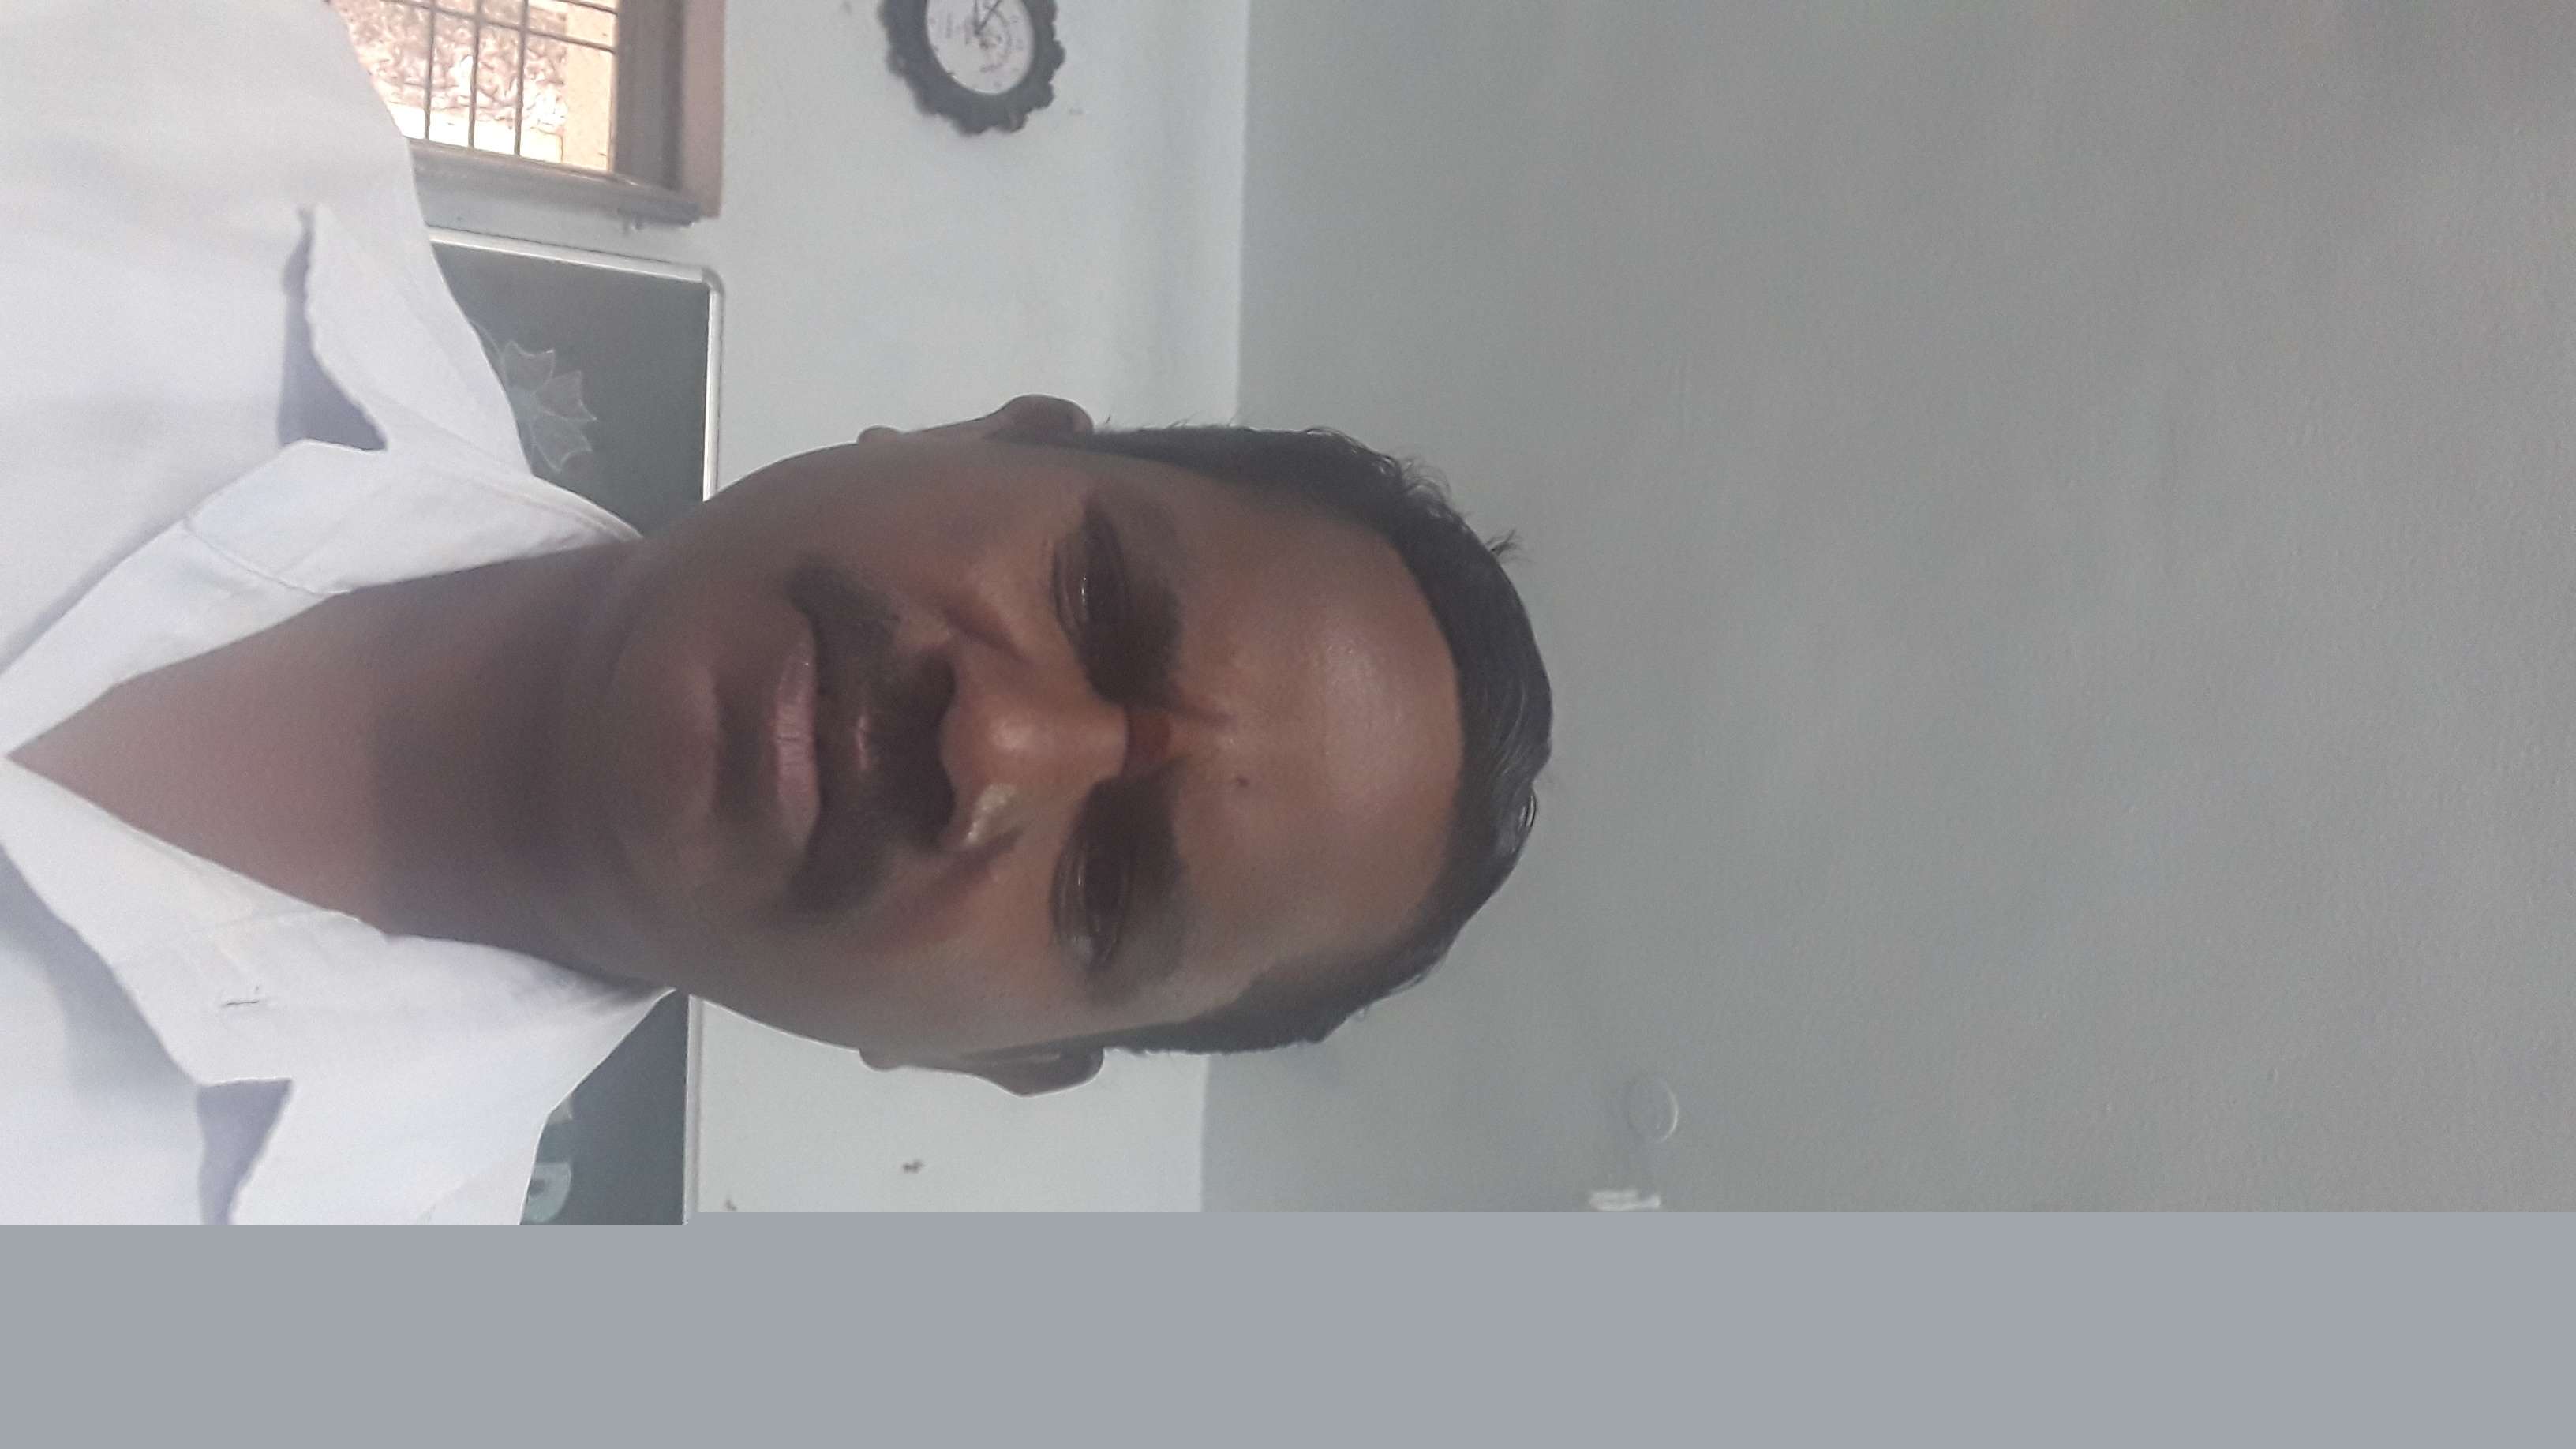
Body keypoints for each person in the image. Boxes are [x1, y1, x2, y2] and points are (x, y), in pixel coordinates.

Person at [0, 0, 1551, 1222]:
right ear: (986, 437)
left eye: (1106, 887)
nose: (995, 742)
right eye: (1097, 601)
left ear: (998, 1058)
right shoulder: (155, 82)